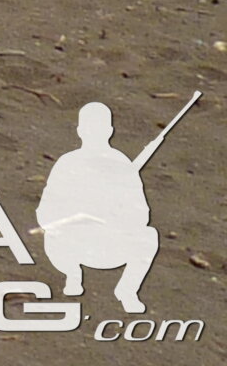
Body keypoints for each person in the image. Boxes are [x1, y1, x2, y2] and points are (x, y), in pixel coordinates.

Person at [37, 100, 164, 313]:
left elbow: (141, 214)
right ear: (80, 131)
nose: (93, 133)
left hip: (110, 242)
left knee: (149, 236)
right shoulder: (67, 163)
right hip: (73, 243)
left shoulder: (122, 165)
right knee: (52, 234)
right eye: (89, 128)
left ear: (109, 131)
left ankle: (127, 290)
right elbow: (46, 210)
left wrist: (117, 211)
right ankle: (73, 275)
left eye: (99, 128)